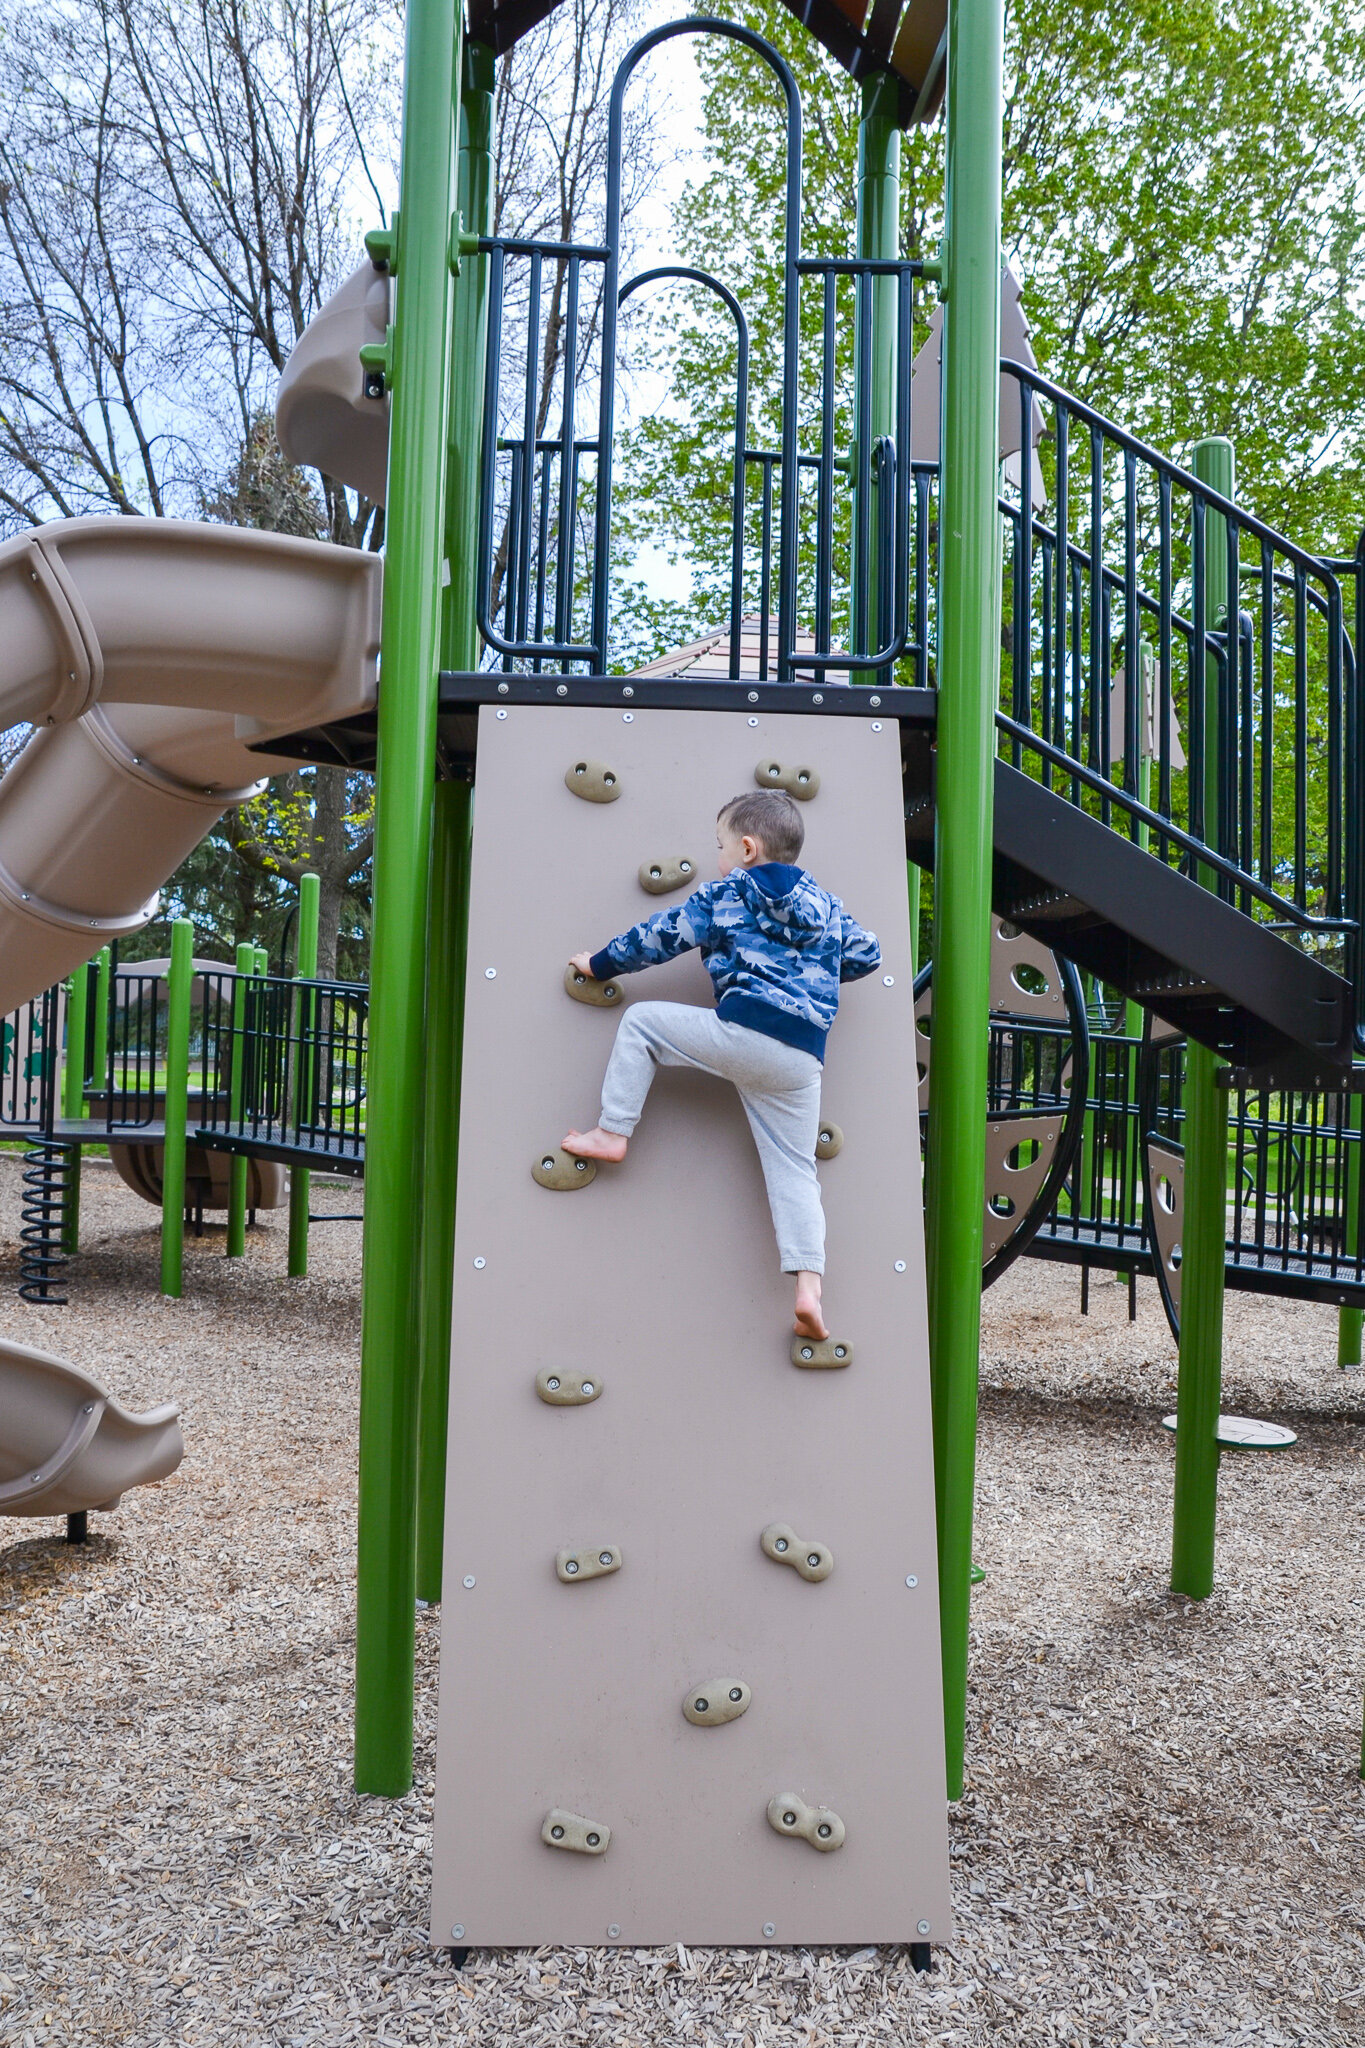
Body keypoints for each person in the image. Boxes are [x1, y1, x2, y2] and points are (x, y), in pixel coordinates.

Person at [563, 787, 880, 1339]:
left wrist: (599, 963)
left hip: (744, 1030)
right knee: (795, 1173)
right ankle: (808, 1288)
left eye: (721, 845)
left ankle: (613, 1132)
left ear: (749, 849)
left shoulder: (727, 892)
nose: (718, 856)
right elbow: (867, 954)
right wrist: (817, 970)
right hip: (802, 1059)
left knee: (642, 1024)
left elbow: (661, 938)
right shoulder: (827, 906)